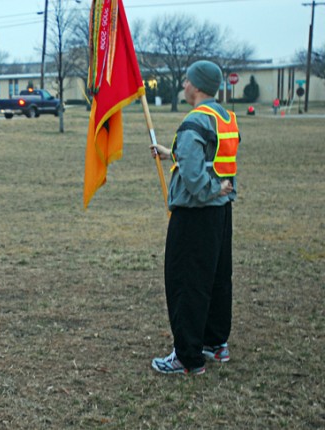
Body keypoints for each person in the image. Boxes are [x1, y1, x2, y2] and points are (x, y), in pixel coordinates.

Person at [150, 60, 240, 375]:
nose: (184, 85)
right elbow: (212, 157)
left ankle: (187, 357)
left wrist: (210, 190)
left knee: (186, 282)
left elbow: (193, 174)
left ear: (198, 86)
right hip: (220, 214)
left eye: (187, 81)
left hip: (195, 214)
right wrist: (169, 153)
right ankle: (215, 344)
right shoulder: (224, 116)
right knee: (216, 278)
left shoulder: (194, 121)